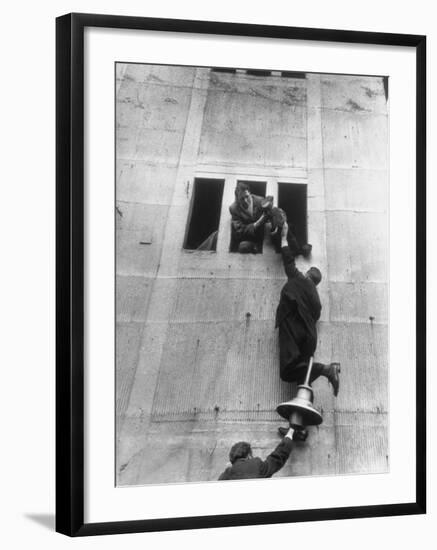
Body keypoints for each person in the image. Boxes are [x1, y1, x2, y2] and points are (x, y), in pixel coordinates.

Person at [276, 221, 341, 394]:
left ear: (307, 275)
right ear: (316, 284)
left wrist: (283, 237)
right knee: (302, 376)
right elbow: (315, 317)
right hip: (309, 339)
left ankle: (327, 370)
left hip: (293, 328)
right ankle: (305, 401)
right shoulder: (317, 301)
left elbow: (288, 261)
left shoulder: (299, 279)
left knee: (288, 370)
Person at [218, 427, 306, 480]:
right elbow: (276, 458)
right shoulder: (255, 465)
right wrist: (290, 433)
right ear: (249, 455)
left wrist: (228, 470)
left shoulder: (224, 476)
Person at [229, 182, 268, 253]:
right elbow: (240, 231)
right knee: (243, 246)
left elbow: (269, 215)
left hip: (264, 236)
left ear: (250, 193)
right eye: (241, 199)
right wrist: (257, 223)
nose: (245, 201)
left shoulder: (260, 201)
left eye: (247, 197)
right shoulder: (234, 208)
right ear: (237, 198)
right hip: (250, 239)